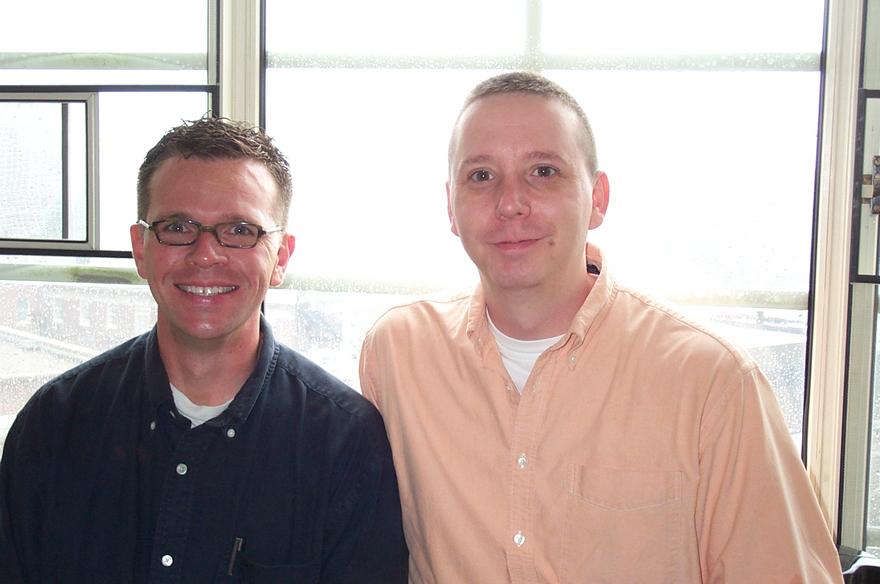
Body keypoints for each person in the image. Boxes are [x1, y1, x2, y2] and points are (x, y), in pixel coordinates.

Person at [359, 72, 843, 583]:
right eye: (481, 176)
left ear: (598, 199)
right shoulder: (398, 353)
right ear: (450, 207)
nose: (510, 203)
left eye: (543, 171)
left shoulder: (711, 381)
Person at [0, 117, 407, 583]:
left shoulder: (346, 445)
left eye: (239, 230)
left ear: (281, 257)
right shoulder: (55, 424)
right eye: (178, 226)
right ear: (140, 248)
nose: (206, 254)